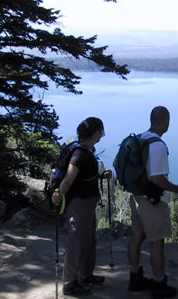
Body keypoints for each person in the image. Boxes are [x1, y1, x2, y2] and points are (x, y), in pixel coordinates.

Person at [126, 106, 178, 298]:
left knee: (137, 236)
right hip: (152, 201)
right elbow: (158, 179)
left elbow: (116, 163)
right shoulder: (158, 146)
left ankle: (135, 277)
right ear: (166, 121)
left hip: (135, 197)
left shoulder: (138, 138)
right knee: (156, 243)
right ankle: (159, 284)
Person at [52, 117, 112, 296]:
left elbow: (82, 176)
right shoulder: (80, 154)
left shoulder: (87, 150)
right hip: (79, 205)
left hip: (87, 203)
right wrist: (59, 194)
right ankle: (70, 283)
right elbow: (69, 178)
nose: (102, 134)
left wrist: (101, 176)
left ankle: (85, 276)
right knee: (77, 243)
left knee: (88, 241)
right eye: (101, 131)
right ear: (96, 133)